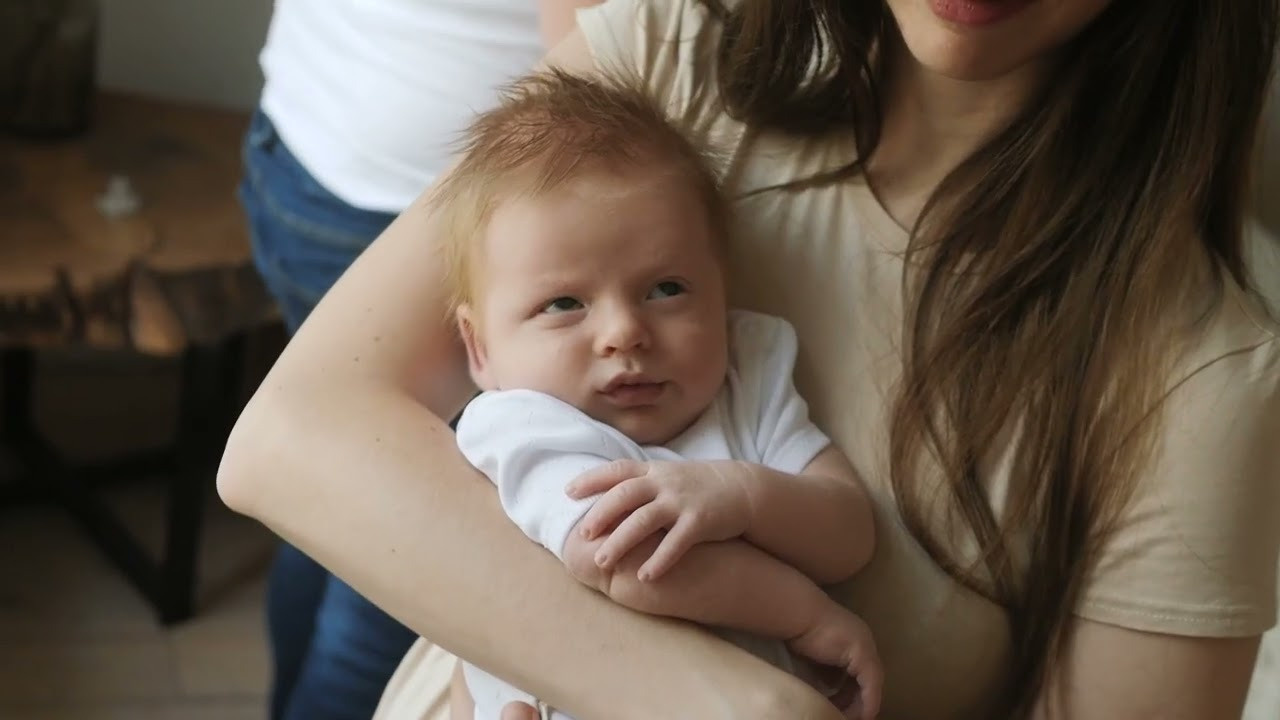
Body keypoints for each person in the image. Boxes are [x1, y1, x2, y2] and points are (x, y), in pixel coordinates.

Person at [219, 1, 1280, 718]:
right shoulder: (671, 61)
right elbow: (287, 442)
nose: (628, 333)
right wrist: (738, 701)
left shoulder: (1196, 367)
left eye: (669, 291)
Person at [434, 71, 881, 719]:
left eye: (667, 289)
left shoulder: (744, 380)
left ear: (721, 290)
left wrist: (744, 496)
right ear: (481, 350)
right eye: (563, 304)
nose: (623, 333)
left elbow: (849, 534)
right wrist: (804, 614)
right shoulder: (518, 425)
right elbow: (626, 560)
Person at [236, 2, 597, 718]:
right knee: (386, 602)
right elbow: (595, 60)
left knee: (322, 508)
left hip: (305, 143)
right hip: (423, 222)